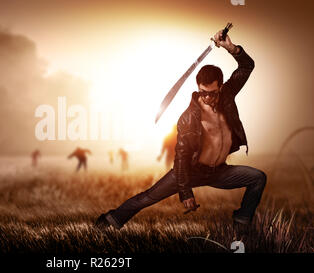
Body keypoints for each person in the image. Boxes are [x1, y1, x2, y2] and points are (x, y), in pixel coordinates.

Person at [95, 30, 266, 239]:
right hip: (189, 171)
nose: (206, 98)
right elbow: (182, 157)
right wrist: (185, 192)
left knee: (257, 178)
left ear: (220, 88)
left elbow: (247, 66)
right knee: (147, 197)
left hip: (219, 171)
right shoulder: (188, 118)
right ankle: (108, 222)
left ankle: (241, 222)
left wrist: (231, 48)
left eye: (211, 93)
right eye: (202, 92)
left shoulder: (227, 96)